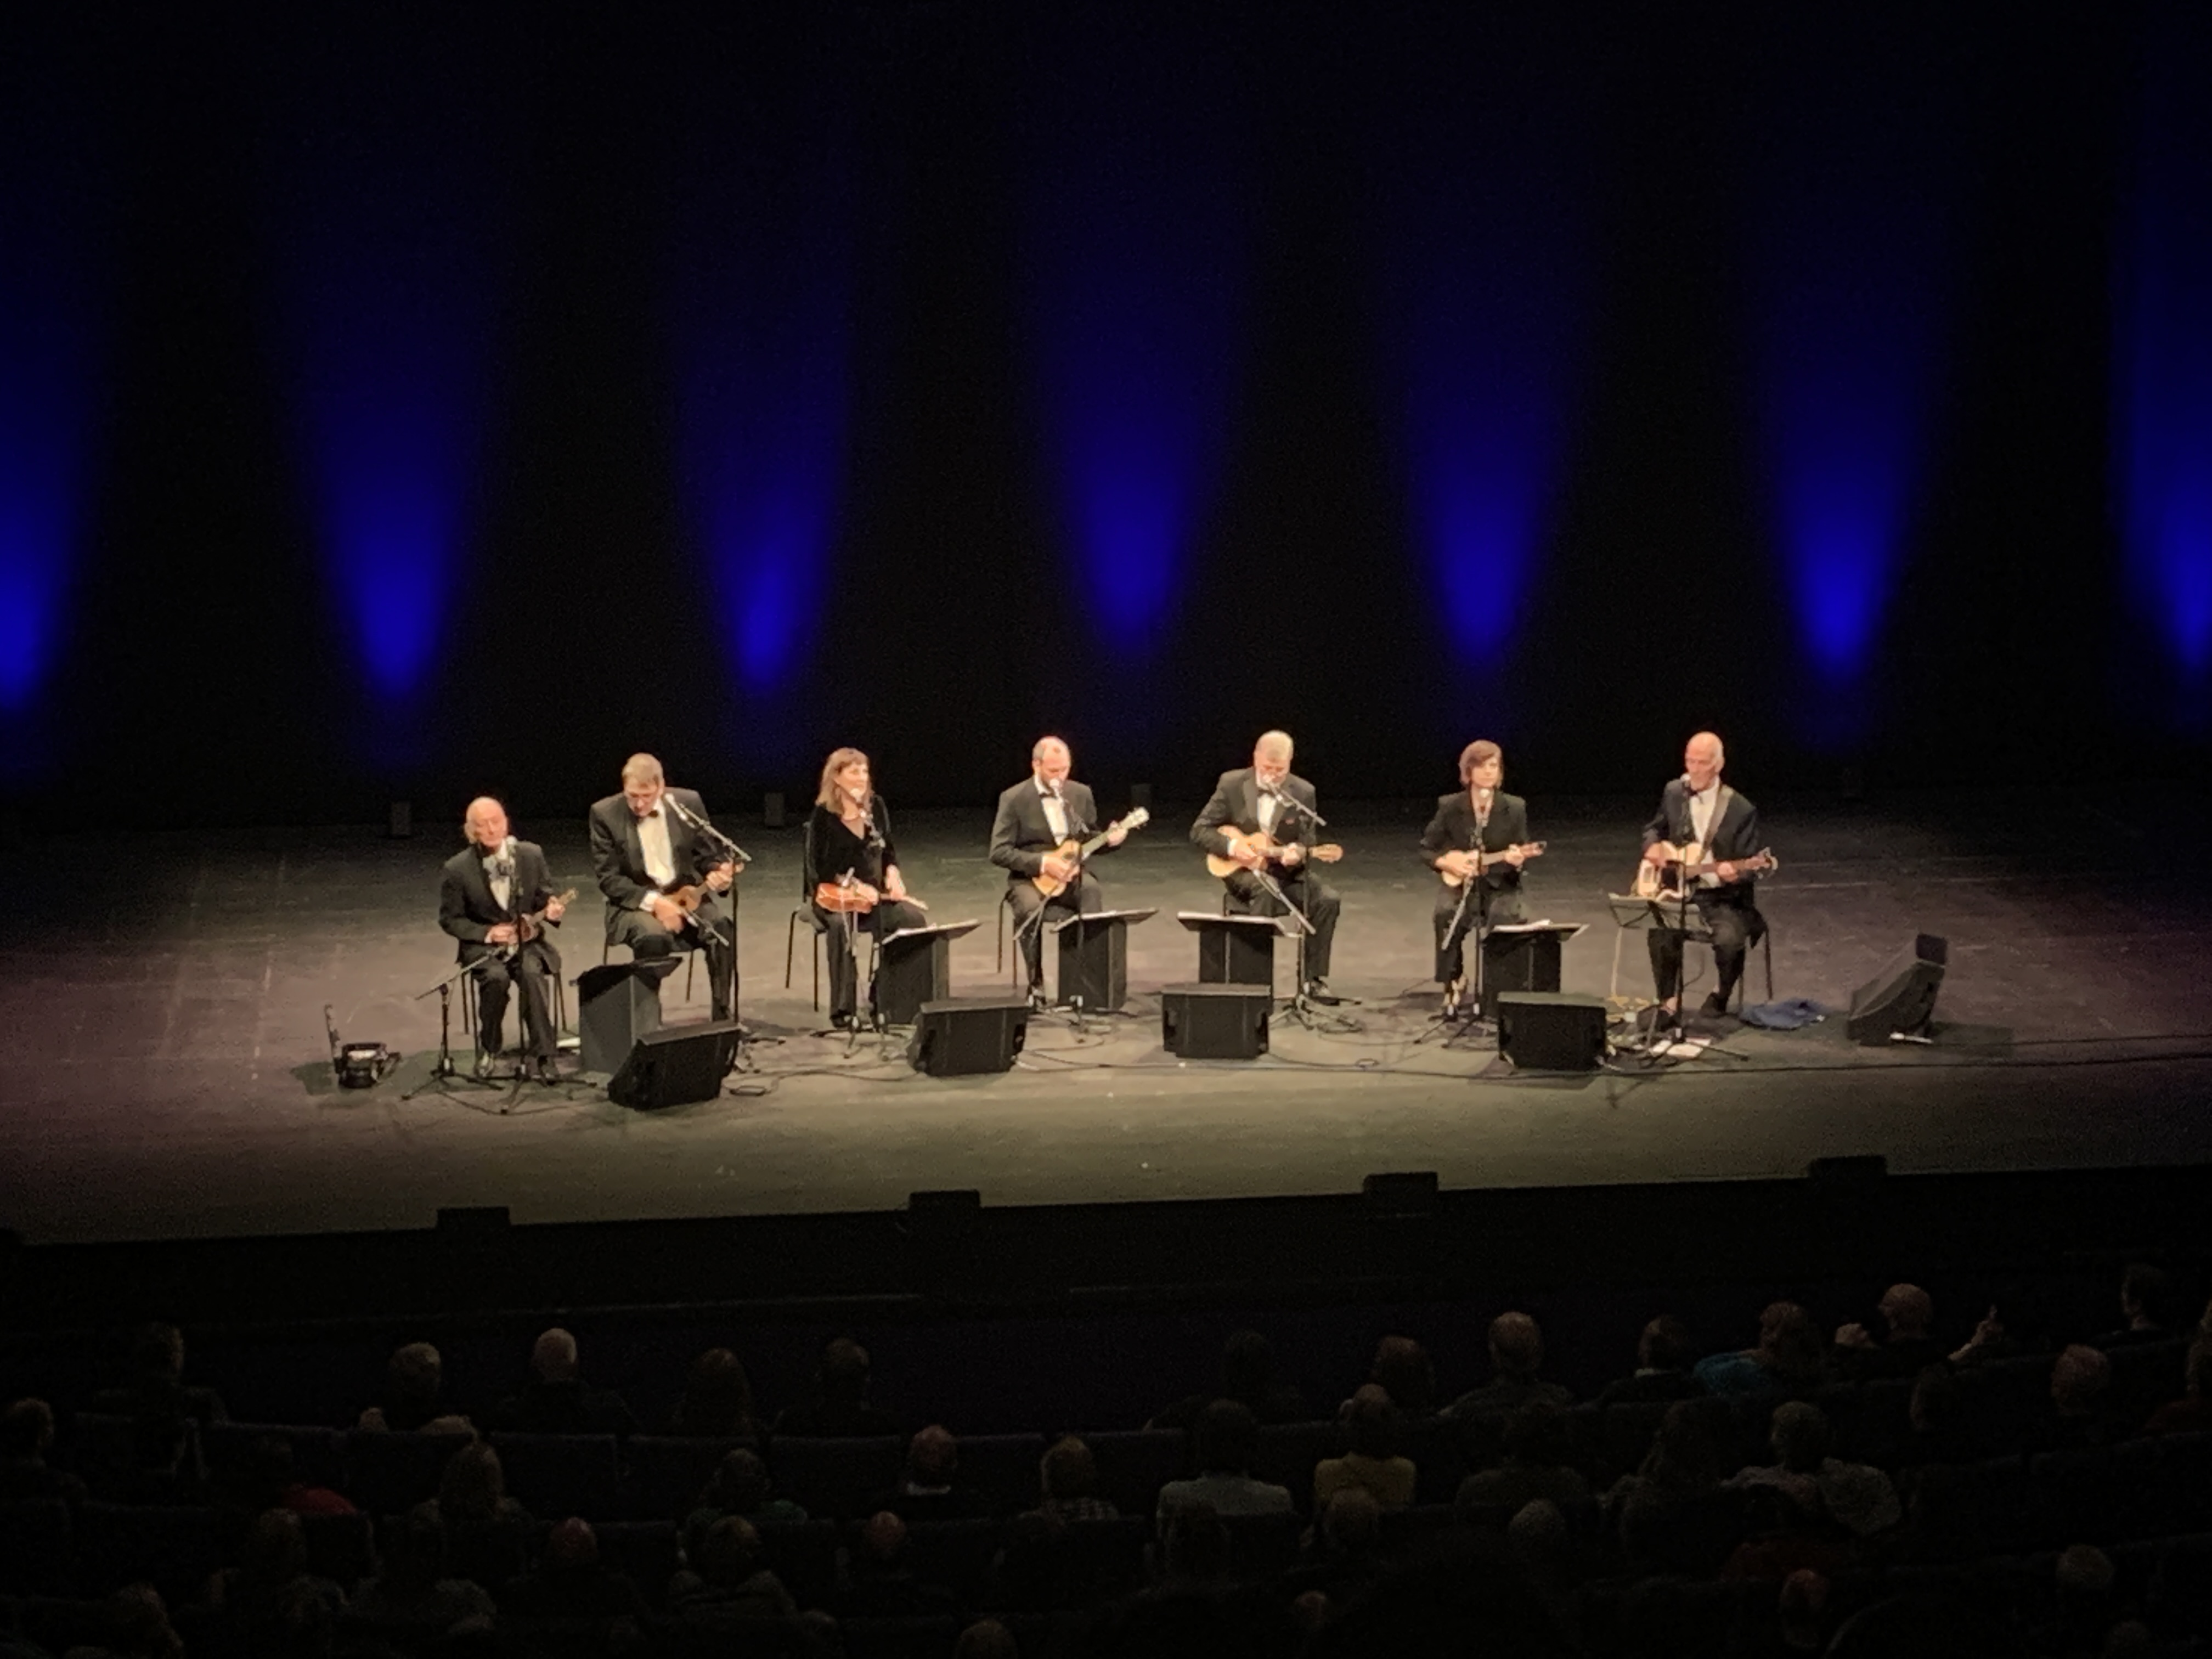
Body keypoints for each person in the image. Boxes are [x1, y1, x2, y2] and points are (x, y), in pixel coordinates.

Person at [586, 753, 738, 1022]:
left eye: (646, 796)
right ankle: (647, 1024)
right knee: (652, 935)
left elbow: (706, 856)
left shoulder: (687, 804)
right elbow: (609, 879)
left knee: (722, 928)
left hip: (685, 895)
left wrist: (717, 873)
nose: (639, 804)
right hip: (635, 904)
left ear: (661, 787)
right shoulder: (604, 814)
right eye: (632, 796)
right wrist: (656, 903)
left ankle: (723, 1020)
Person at [1191, 730, 1342, 997]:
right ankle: (1256, 982)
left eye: (1280, 770)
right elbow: (1200, 830)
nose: (1272, 776)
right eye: (1267, 769)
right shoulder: (1232, 783)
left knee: (1327, 899)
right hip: (1242, 871)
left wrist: (1297, 853)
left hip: (1284, 871)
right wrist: (1233, 847)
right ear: (1255, 758)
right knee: (1265, 890)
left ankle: (1313, 979)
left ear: (1290, 762)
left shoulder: (1304, 792)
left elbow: (1307, 841)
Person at [1638, 730, 1768, 1034]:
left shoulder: (1741, 809)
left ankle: (1721, 993)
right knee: (1660, 932)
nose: (1694, 770)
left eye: (1702, 763)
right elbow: (1655, 828)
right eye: (1690, 761)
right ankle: (1668, 1002)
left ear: (1718, 765)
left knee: (1729, 941)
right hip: (1680, 890)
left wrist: (1736, 872)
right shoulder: (1674, 791)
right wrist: (1653, 847)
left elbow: (1750, 865)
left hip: (1723, 896)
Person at [989, 735, 1129, 1003]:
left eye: (1065, 769)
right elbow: (999, 851)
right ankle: (1037, 983)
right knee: (1029, 907)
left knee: (1091, 891)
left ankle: (1082, 981)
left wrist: (1110, 840)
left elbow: (1087, 840)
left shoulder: (1080, 794)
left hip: (1071, 876)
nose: (1060, 777)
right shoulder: (1014, 798)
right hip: (1029, 879)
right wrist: (1044, 863)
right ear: (1036, 765)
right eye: (1054, 771)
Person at [439, 797, 566, 1082]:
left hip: (527, 942)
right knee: (496, 979)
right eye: (482, 824)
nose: (491, 829)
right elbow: (450, 919)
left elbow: (545, 896)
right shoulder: (457, 868)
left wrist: (552, 909)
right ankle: (489, 1046)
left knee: (532, 974)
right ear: (471, 831)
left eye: (496, 821)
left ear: (506, 822)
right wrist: (487, 933)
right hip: (484, 948)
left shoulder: (531, 855)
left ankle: (543, 1054)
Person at [804, 748, 928, 1028]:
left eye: (864, 771)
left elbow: (888, 850)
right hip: (835, 898)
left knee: (912, 920)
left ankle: (882, 996)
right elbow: (819, 871)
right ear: (837, 777)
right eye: (854, 772)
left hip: (873, 898)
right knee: (840, 927)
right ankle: (843, 1010)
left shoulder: (876, 807)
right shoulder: (823, 816)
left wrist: (893, 874)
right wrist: (855, 887)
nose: (862, 777)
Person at [1420, 740, 1533, 1014]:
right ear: (1468, 771)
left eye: (1494, 766)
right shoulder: (1450, 805)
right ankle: (1453, 980)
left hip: (1500, 883)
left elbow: (1520, 847)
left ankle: (1499, 988)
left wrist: (1517, 860)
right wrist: (1447, 862)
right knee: (1445, 914)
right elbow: (1427, 848)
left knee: (1503, 918)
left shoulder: (1515, 807)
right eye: (1482, 766)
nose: (1489, 771)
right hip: (1462, 885)